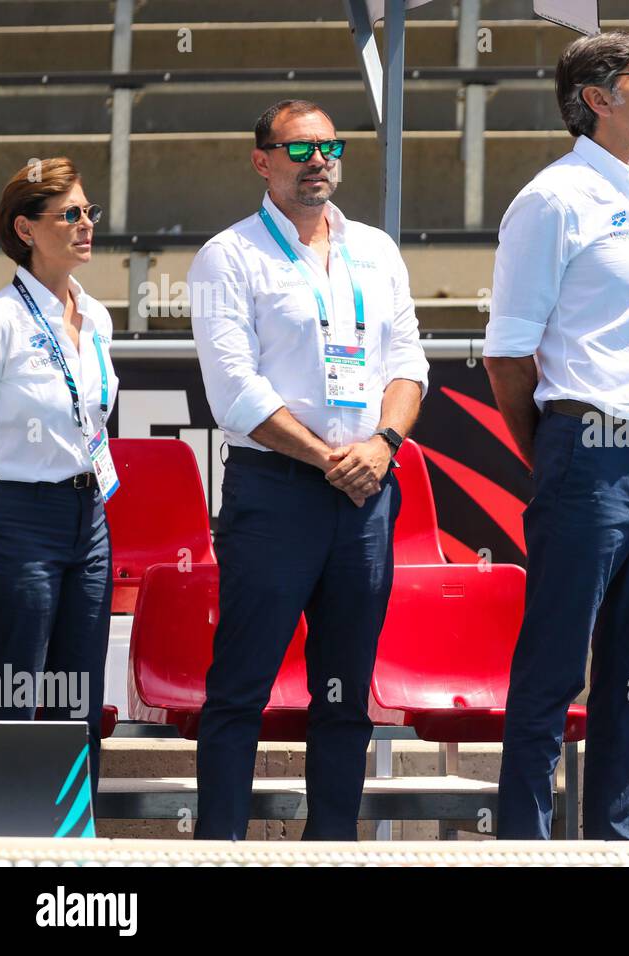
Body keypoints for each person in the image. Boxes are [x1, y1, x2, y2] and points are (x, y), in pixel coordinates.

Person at [187, 99, 428, 840]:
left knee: (344, 693)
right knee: (240, 690)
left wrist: (383, 444)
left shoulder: (377, 250)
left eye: (330, 147)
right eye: (299, 150)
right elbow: (235, 393)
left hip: (365, 496)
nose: (318, 161)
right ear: (262, 160)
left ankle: (333, 849)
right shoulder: (227, 256)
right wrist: (332, 458)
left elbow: (409, 362)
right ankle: (218, 853)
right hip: (278, 493)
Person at [484, 31, 629, 840]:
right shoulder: (552, 199)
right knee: (554, 670)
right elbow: (506, 354)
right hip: (589, 451)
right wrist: (558, 454)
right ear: (598, 99)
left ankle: (618, 848)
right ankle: (525, 852)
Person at [0, 158, 118, 787]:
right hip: (14, 518)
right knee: (12, 686)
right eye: (70, 214)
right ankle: (4, 836)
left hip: (88, 517)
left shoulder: (97, 317)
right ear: (26, 229)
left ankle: (71, 838)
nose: (86, 224)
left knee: (80, 690)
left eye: (89, 211)